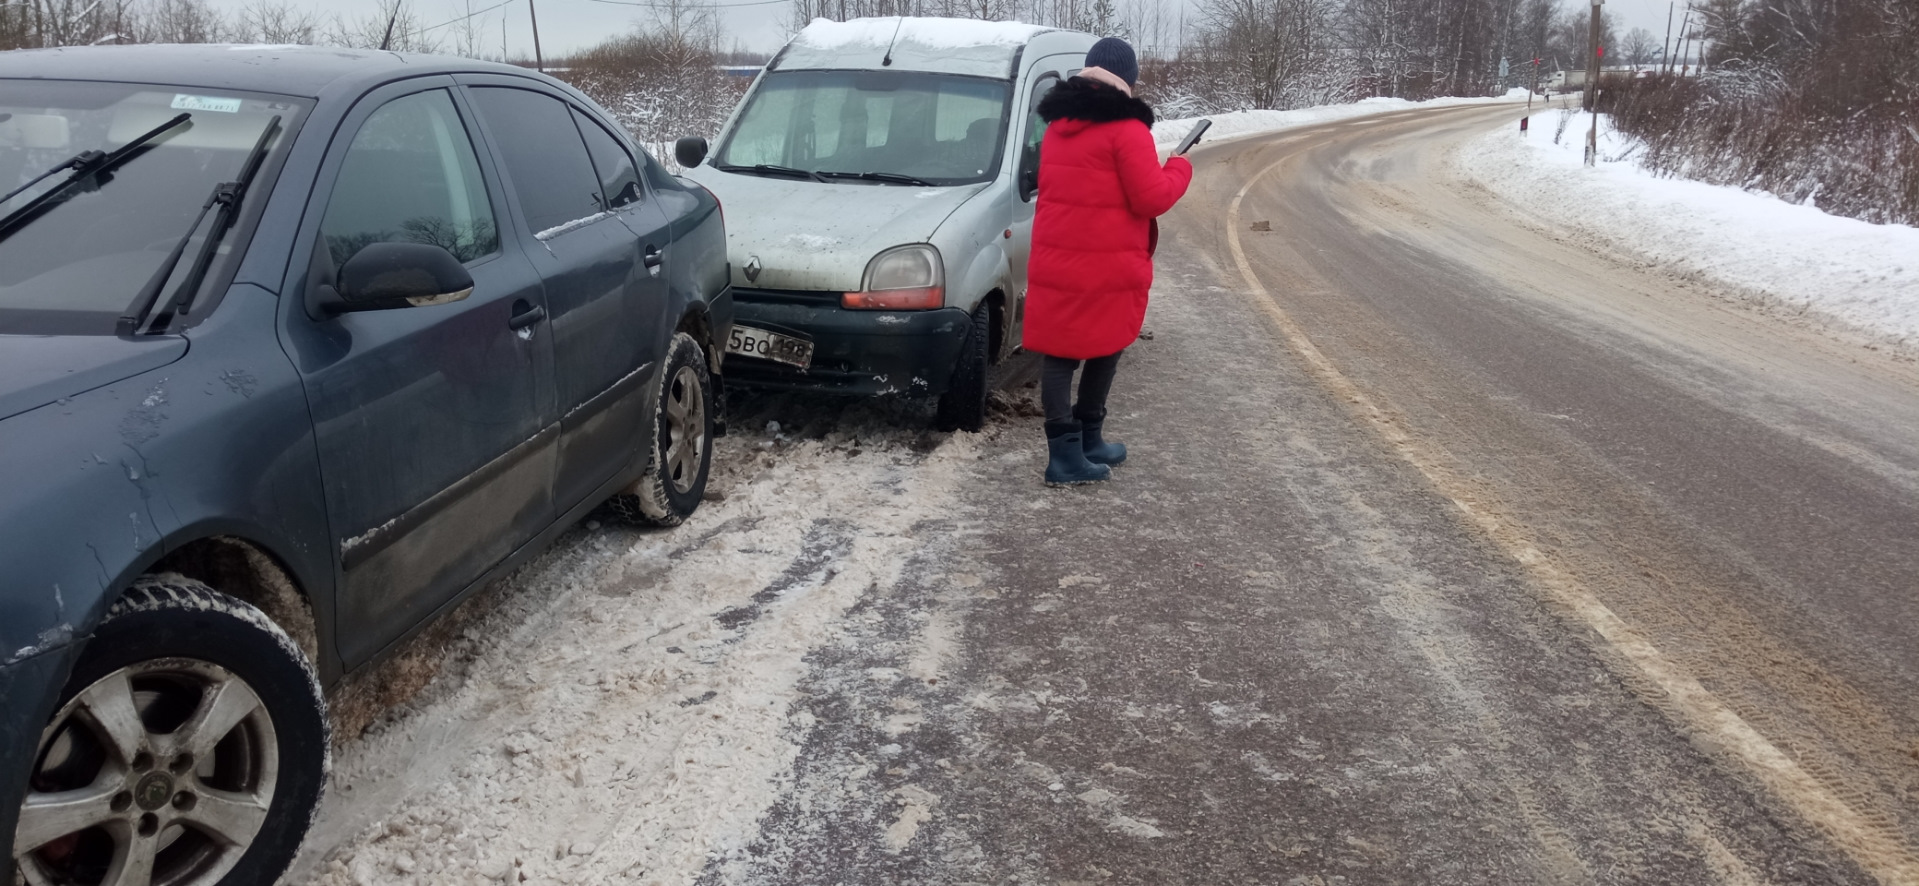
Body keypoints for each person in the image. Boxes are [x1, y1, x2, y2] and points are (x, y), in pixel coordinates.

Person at [1022, 36, 1193, 486]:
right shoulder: (1127, 129)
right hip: (1106, 263)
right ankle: (1076, 449)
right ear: (1128, 81)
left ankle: (1076, 447)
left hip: (1058, 258)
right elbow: (1151, 198)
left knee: (1061, 354)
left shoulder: (1058, 124)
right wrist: (1179, 168)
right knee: (1108, 344)